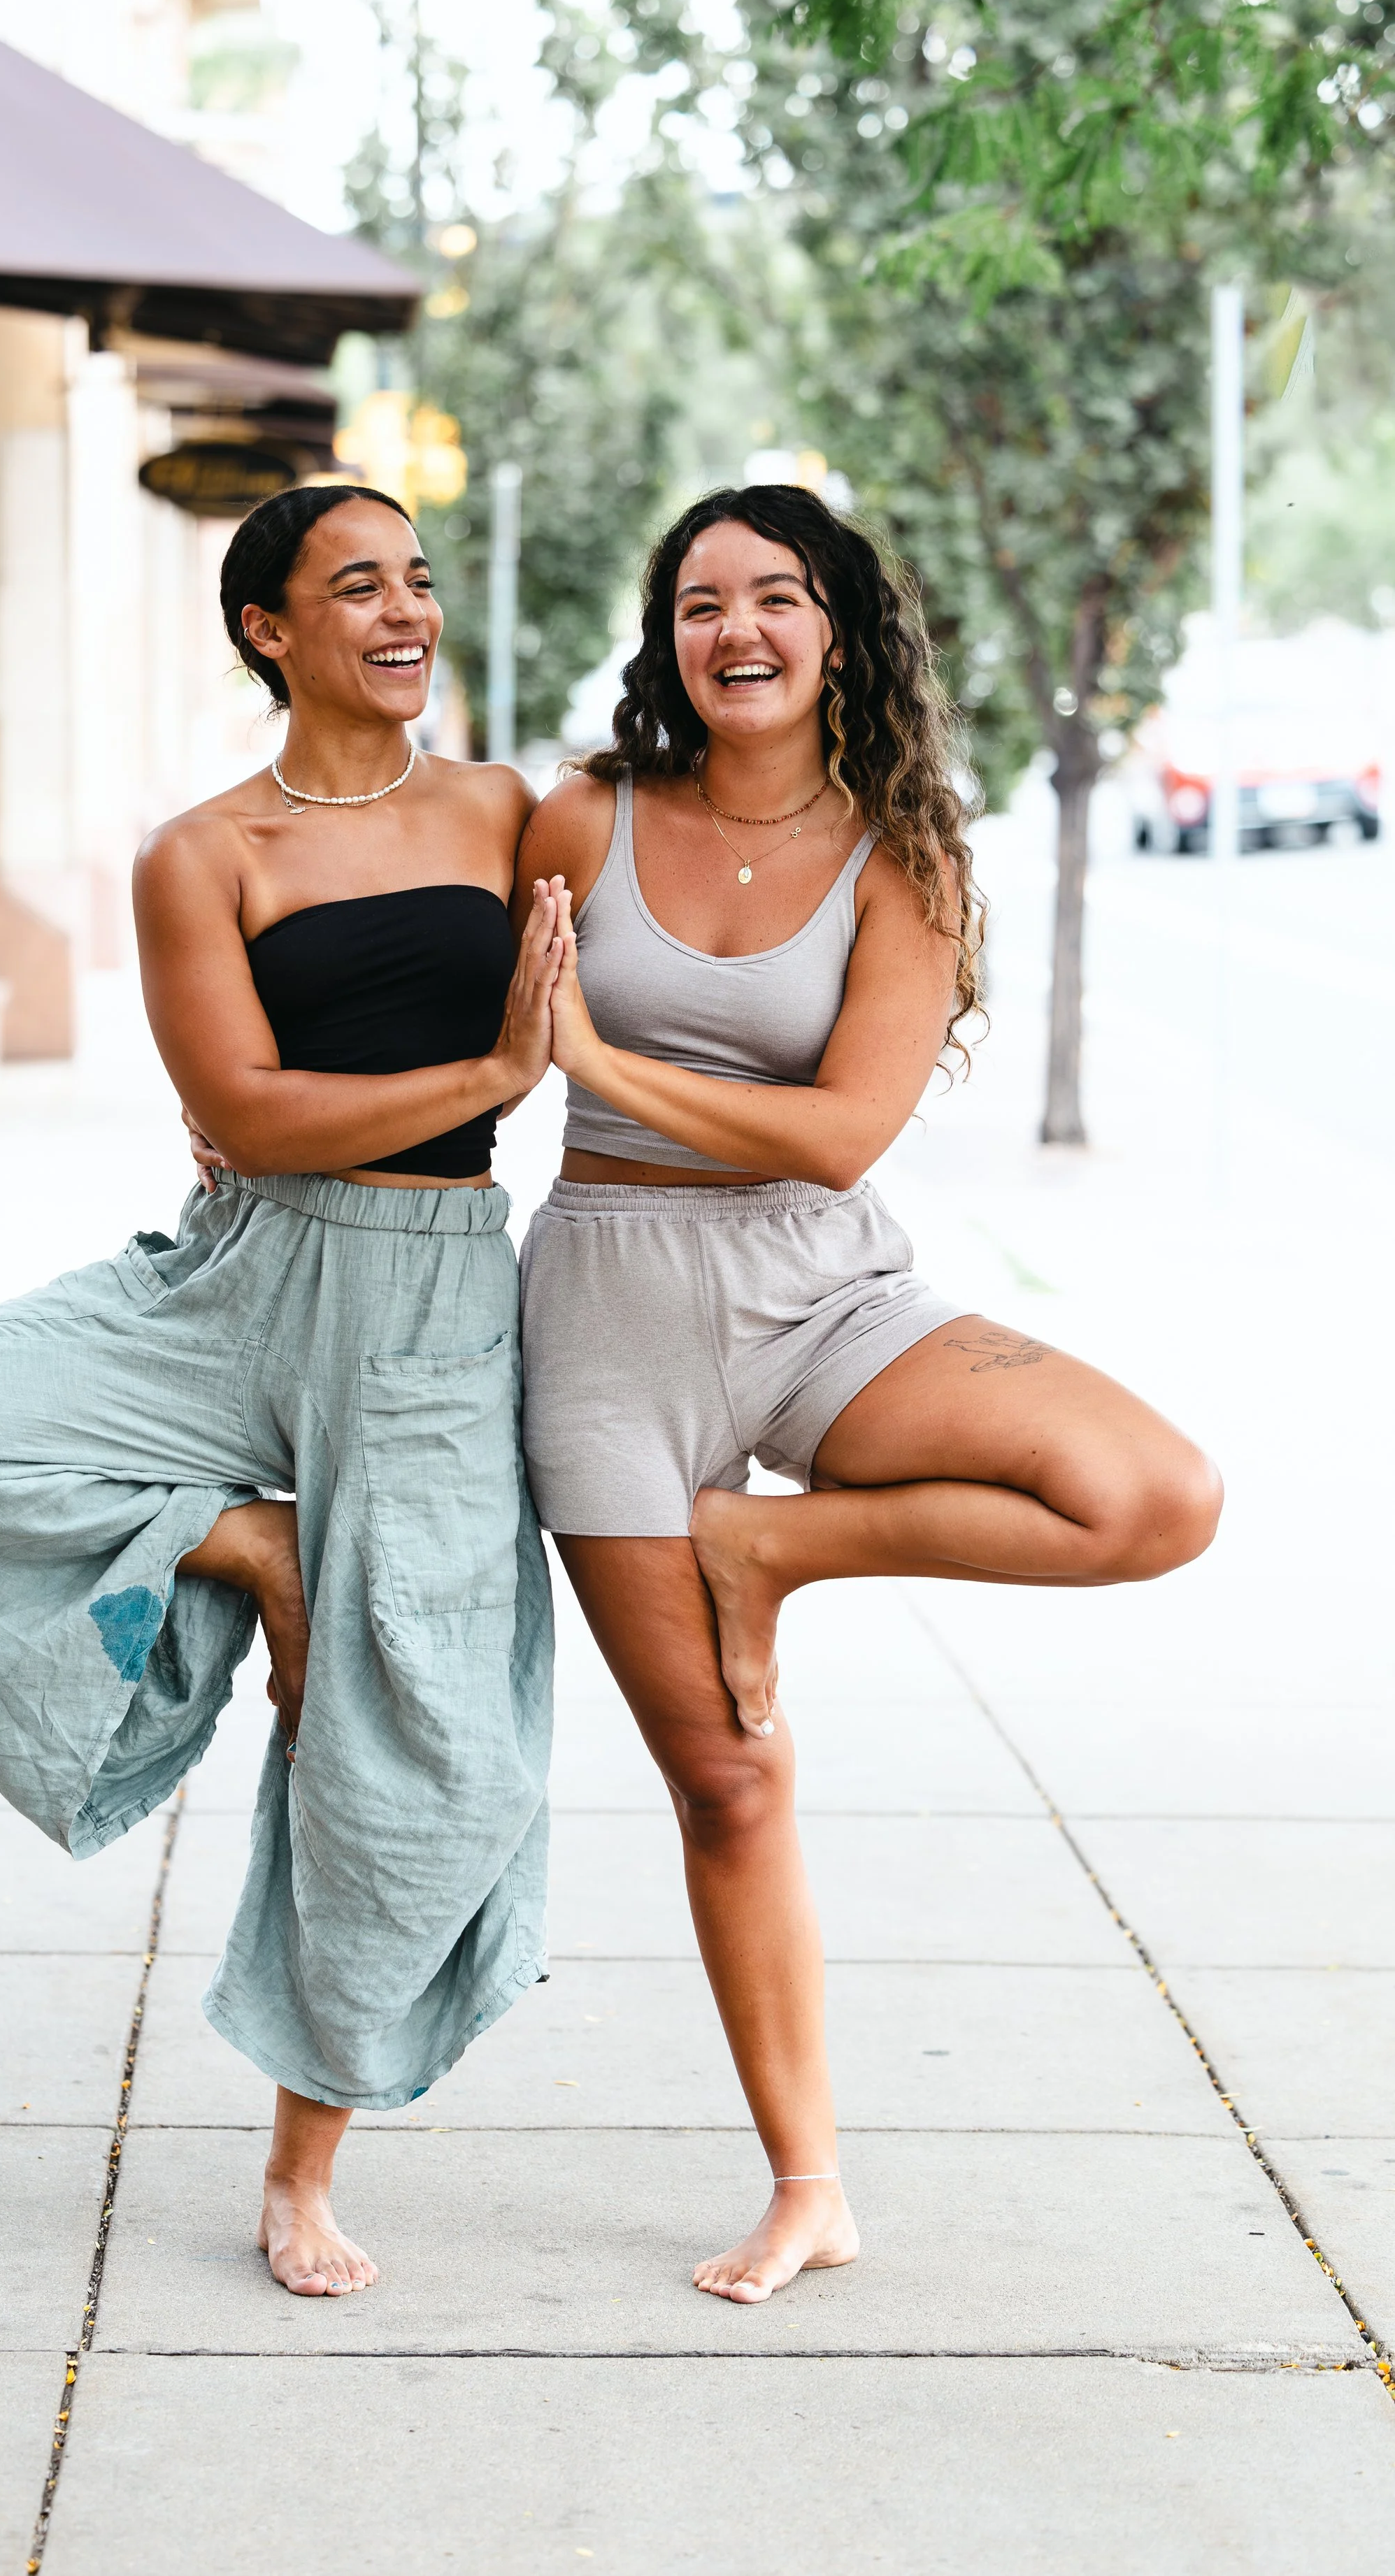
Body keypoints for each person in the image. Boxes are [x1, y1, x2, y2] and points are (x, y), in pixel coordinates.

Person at [0, 484, 568, 2300]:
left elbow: (688, 910)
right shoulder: (201, 854)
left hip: (434, 1309)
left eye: (419, 580)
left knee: (419, 1756)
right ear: (266, 630)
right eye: (354, 586)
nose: (404, 610)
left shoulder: (511, 812)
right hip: (236, 1279)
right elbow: (244, 1111)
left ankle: (303, 2165)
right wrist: (491, 1062)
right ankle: (234, 1540)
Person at [515, 484, 1223, 2303]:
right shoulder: (579, 817)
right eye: (694, 600)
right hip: (603, 1307)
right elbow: (448, 1005)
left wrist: (600, 1053)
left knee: (1153, 1494)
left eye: (770, 594)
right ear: (664, 638)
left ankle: (773, 1550)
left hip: (826, 1288)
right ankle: (806, 2180)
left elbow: (841, 1131)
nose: (730, 626)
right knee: (729, 1782)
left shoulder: (902, 846)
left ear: (837, 626)